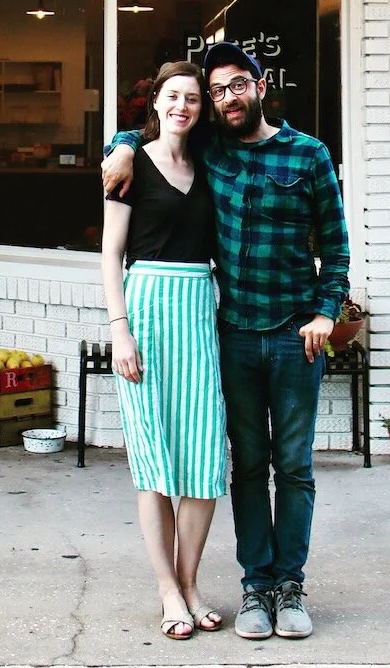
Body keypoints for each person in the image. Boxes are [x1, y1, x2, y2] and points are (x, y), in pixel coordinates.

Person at [103, 42, 350, 643]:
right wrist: (124, 146)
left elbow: (337, 247)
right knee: (242, 468)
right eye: (214, 92)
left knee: (290, 466)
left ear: (260, 87)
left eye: (234, 86)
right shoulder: (206, 150)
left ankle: (287, 586)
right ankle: (252, 588)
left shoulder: (308, 153)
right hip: (231, 331)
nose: (222, 99)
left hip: (293, 335)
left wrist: (325, 312)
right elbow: (149, 136)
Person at [101, 59, 227, 642]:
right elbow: (110, 256)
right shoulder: (130, 165)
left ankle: (191, 581)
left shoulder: (210, 163)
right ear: (154, 101)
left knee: (203, 459)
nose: (183, 106)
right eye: (173, 96)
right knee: (154, 460)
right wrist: (119, 329)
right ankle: (166, 590)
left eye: (193, 99)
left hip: (198, 311)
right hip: (147, 309)